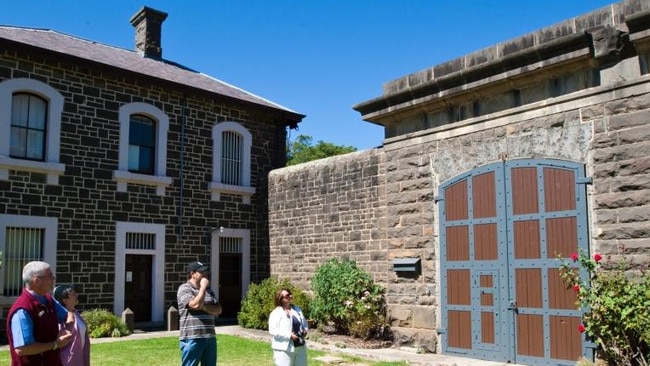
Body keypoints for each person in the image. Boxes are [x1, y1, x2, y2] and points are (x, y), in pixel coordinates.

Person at [6, 261, 74, 366]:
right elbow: (22, 348)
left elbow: (68, 314)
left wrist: (67, 329)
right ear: (37, 281)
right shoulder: (22, 310)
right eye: (50, 275)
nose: (54, 278)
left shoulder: (48, 299)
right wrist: (55, 344)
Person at [177, 261, 222, 366]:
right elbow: (195, 305)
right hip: (192, 337)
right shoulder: (184, 288)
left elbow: (218, 310)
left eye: (206, 272)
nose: (205, 275)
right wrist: (202, 288)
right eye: (201, 272)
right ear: (192, 274)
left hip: (210, 336)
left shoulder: (209, 291)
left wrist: (204, 306)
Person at [268, 288, 308, 366]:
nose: (290, 296)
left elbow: (304, 324)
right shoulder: (276, 313)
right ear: (280, 298)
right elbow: (273, 330)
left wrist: (305, 331)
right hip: (283, 349)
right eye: (287, 295)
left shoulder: (297, 310)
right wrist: (289, 335)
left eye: (290, 294)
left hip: (300, 347)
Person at [53, 284, 90, 366]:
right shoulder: (60, 317)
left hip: (80, 359)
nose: (77, 295)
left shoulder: (76, 313)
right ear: (65, 300)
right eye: (73, 294)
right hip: (67, 361)